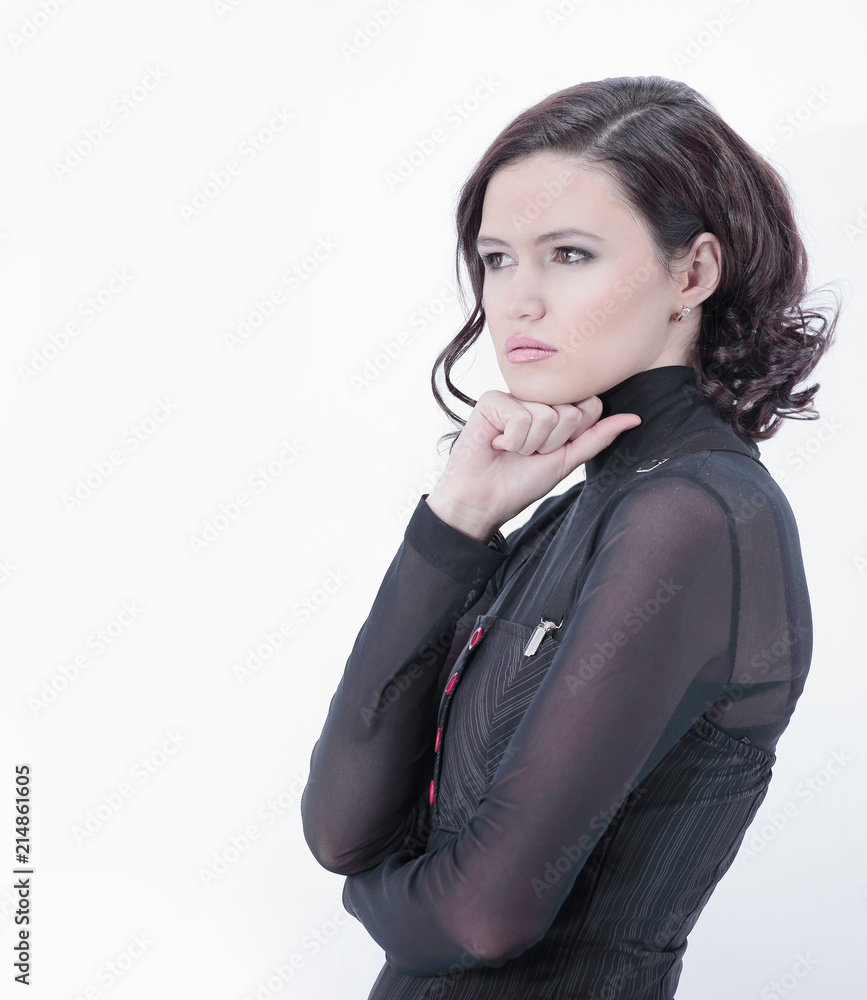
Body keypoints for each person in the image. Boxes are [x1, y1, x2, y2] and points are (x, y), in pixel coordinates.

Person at [300, 76, 838, 999]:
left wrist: (366, 896)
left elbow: (483, 915)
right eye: (497, 259)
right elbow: (339, 826)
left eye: (569, 255)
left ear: (692, 275)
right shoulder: (577, 508)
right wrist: (455, 523)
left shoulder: (694, 516)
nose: (517, 301)